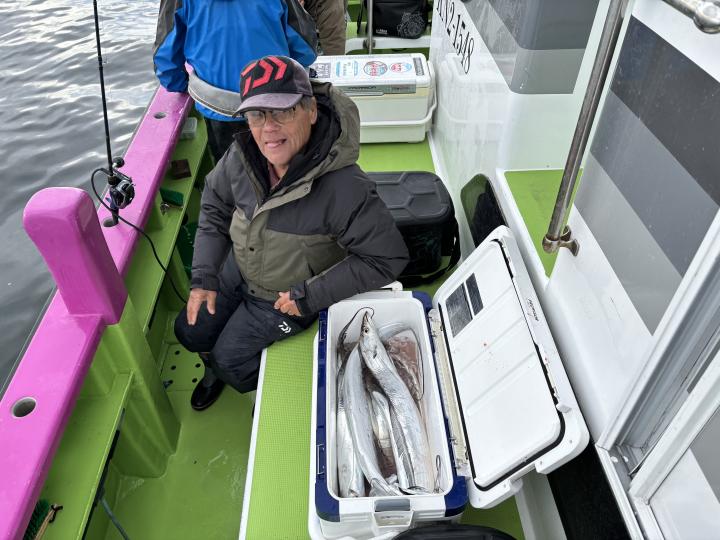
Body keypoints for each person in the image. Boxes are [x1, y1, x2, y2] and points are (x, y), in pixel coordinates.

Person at [174, 55, 409, 410]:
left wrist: (309, 296)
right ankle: (214, 370)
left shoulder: (346, 187)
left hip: (286, 298)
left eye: (282, 111)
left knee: (230, 360)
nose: (268, 127)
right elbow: (214, 204)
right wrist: (205, 275)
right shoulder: (240, 156)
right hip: (237, 271)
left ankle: (254, 380)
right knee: (188, 331)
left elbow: (386, 258)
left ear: (311, 110)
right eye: (257, 114)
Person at [153, 0, 318, 163]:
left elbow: (165, 61)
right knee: (283, 168)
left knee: (232, 173)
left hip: (220, 109)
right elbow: (306, 49)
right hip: (275, 103)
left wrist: (182, 85)